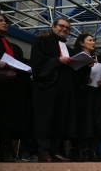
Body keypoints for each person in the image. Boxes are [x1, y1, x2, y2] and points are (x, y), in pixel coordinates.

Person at [30, 18, 85, 162]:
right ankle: (43, 151)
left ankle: (56, 150)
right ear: (53, 27)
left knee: (61, 118)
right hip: (47, 87)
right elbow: (37, 65)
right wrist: (58, 61)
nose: (64, 29)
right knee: (46, 118)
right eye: (61, 26)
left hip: (65, 88)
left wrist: (84, 65)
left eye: (67, 28)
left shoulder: (70, 49)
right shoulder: (41, 42)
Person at [0, 12, 32, 162]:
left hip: (11, 87)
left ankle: (4, 151)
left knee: (8, 120)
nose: (5, 23)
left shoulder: (11, 45)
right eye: (0, 20)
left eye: (6, 21)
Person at [73, 33, 101, 162]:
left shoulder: (99, 57)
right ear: (81, 43)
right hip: (82, 94)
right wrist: (84, 77)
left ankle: (95, 151)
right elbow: (73, 76)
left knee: (96, 122)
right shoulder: (76, 58)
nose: (93, 43)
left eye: (94, 40)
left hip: (96, 93)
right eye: (90, 40)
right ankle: (81, 152)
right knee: (82, 122)